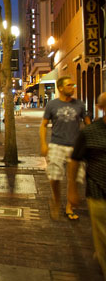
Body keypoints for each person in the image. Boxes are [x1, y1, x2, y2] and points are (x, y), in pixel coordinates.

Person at [67, 92, 106, 281]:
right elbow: (74, 161)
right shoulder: (90, 133)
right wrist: (72, 189)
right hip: (99, 193)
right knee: (102, 238)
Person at [40, 76, 91, 220]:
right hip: (56, 144)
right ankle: (56, 199)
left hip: (75, 146)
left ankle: (69, 207)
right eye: (69, 85)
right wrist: (43, 144)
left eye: (73, 85)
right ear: (60, 88)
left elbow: (87, 124)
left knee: (74, 179)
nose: (72, 87)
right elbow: (43, 125)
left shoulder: (80, 104)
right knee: (54, 177)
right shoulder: (52, 105)